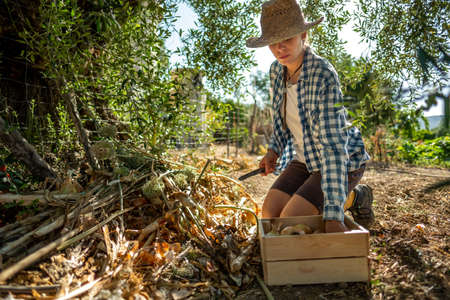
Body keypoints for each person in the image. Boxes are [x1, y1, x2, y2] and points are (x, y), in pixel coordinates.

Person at [246, 0, 374, 233]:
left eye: (287, 38)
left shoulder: (322, 74)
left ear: (303, 34)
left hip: (338, 161)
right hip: (305, 160)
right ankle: (340, 197)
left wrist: (333, 214)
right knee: (269, 217)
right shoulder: (276, 71)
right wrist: (273, 151)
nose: (279, 48)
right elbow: (282, 123)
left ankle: (353, 198)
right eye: (273, 42)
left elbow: (334, 149)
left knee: (290, 222)